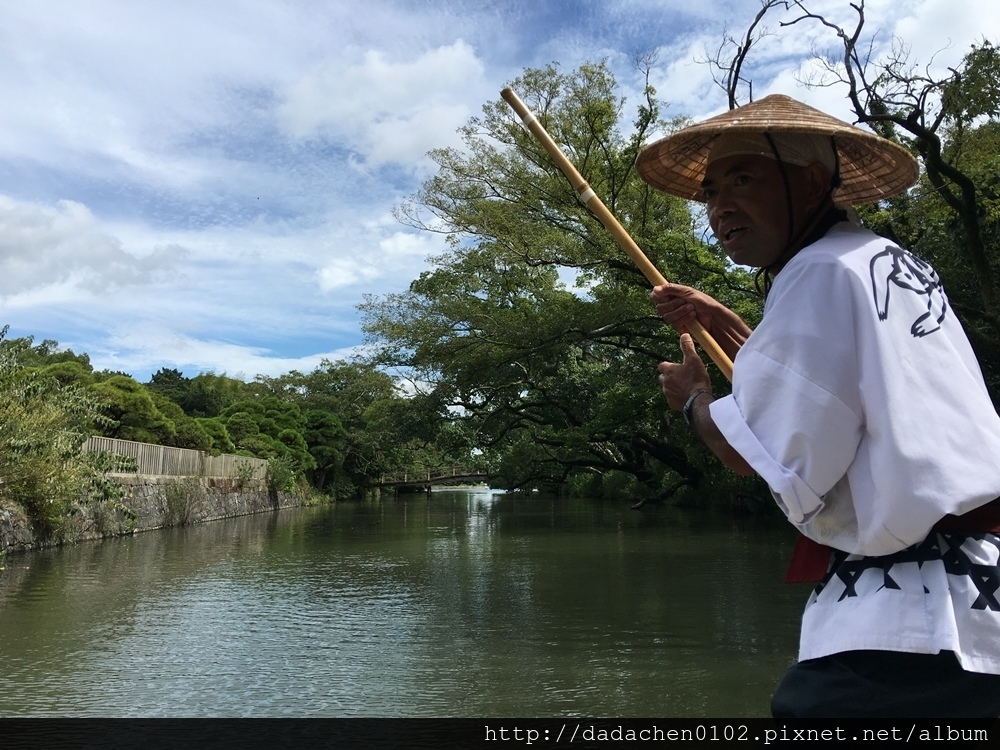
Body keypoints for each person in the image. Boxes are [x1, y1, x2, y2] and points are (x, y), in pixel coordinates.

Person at [634, 94, 1000, 718]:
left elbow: (766, 453)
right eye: (711, 191)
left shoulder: (815, 274)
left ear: (809, 180)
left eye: (742, 179)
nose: (719, 206)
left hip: (915, 613)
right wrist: (718, 316)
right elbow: (821, 386)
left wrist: (693, 400)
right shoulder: (889, 263)